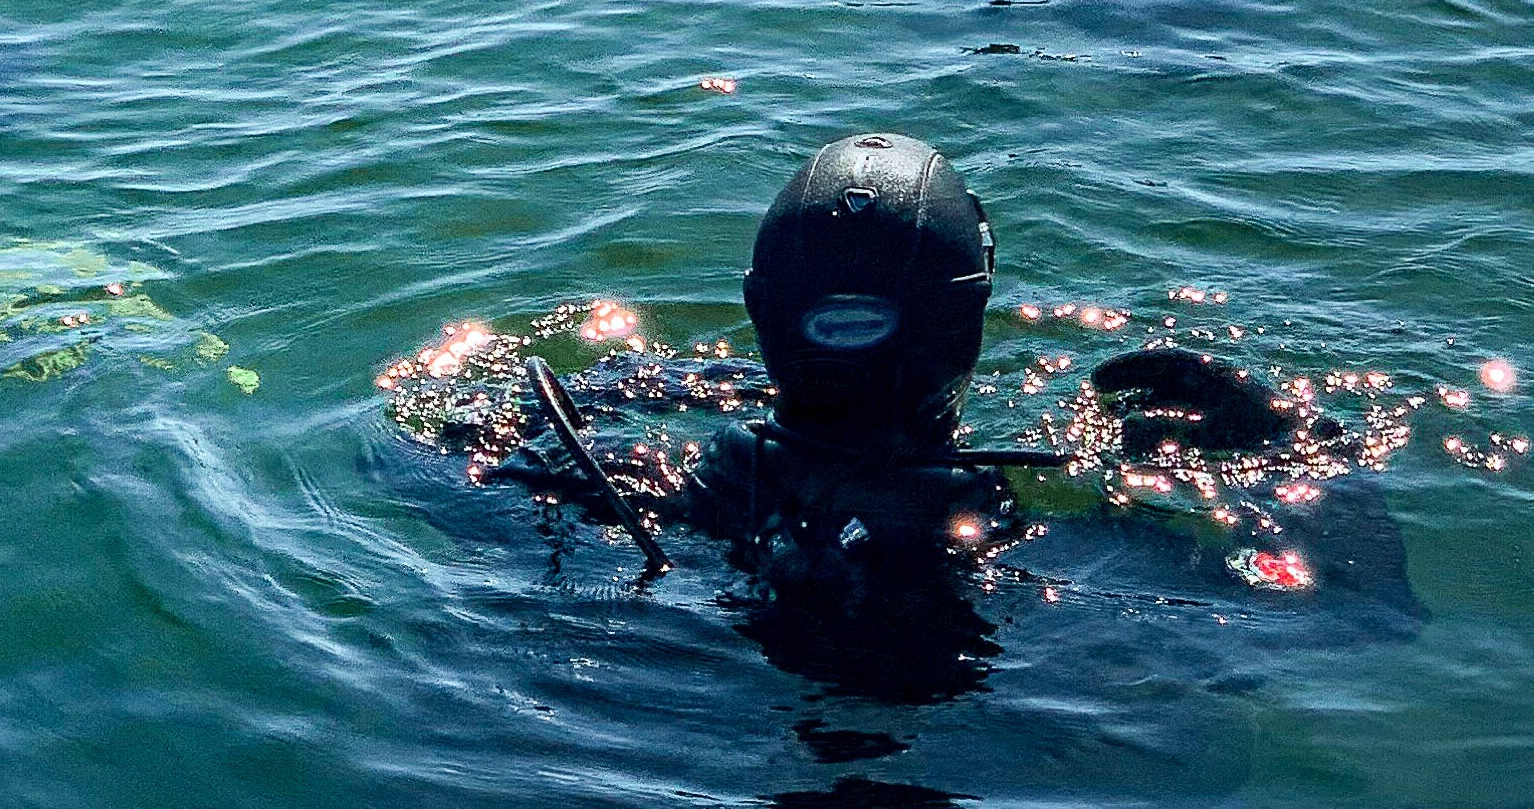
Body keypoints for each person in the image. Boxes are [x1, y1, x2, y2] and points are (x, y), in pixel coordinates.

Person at [466, 135, 1410, 630]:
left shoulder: (648, 490)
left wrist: (660, 387)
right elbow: (1357, 624)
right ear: (966, 323)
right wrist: (1303, 451)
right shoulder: (1046, 550)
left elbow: (424, 445)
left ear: (761, 312)